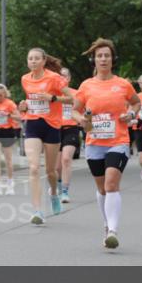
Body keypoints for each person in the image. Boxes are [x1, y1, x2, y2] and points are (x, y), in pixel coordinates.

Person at [72, 38, 140, 250]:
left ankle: (113, 231)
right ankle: (106, 222)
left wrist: (131, 114)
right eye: (100, 56)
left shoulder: (123, 84)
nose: (103, 59)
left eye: (107, 56)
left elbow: (137, 103)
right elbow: (75, 110)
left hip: (118, 140)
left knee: (111, 183)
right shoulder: (86, 86)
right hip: (94, 143)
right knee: (102, 189)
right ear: (94, 60)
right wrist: (80, 119)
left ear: (113, 60)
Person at [19, 48, 74, 224]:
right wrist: (23, 106)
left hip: (52, 126)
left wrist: (53, 98)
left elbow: (72, 99)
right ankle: (37, 211)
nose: (33, 61)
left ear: (43, 61)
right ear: (27, 62)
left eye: (36, 58)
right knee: (34, 167)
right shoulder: (25, 79)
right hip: (33, 124)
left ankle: (54, 194)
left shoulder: (54, 78)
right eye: (30, 59)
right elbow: (29, 100)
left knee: (50, 171)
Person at [56, 67, 82, 204]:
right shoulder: (52, 93)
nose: (62, 79)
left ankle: (65, 191)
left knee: (66, 159)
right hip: (55, 130)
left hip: (71, 128)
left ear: (69, 78)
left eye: (65, 76)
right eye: (60, 76)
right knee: (56, 167)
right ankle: (59, 185)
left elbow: (84, 109)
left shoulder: (76, 93)